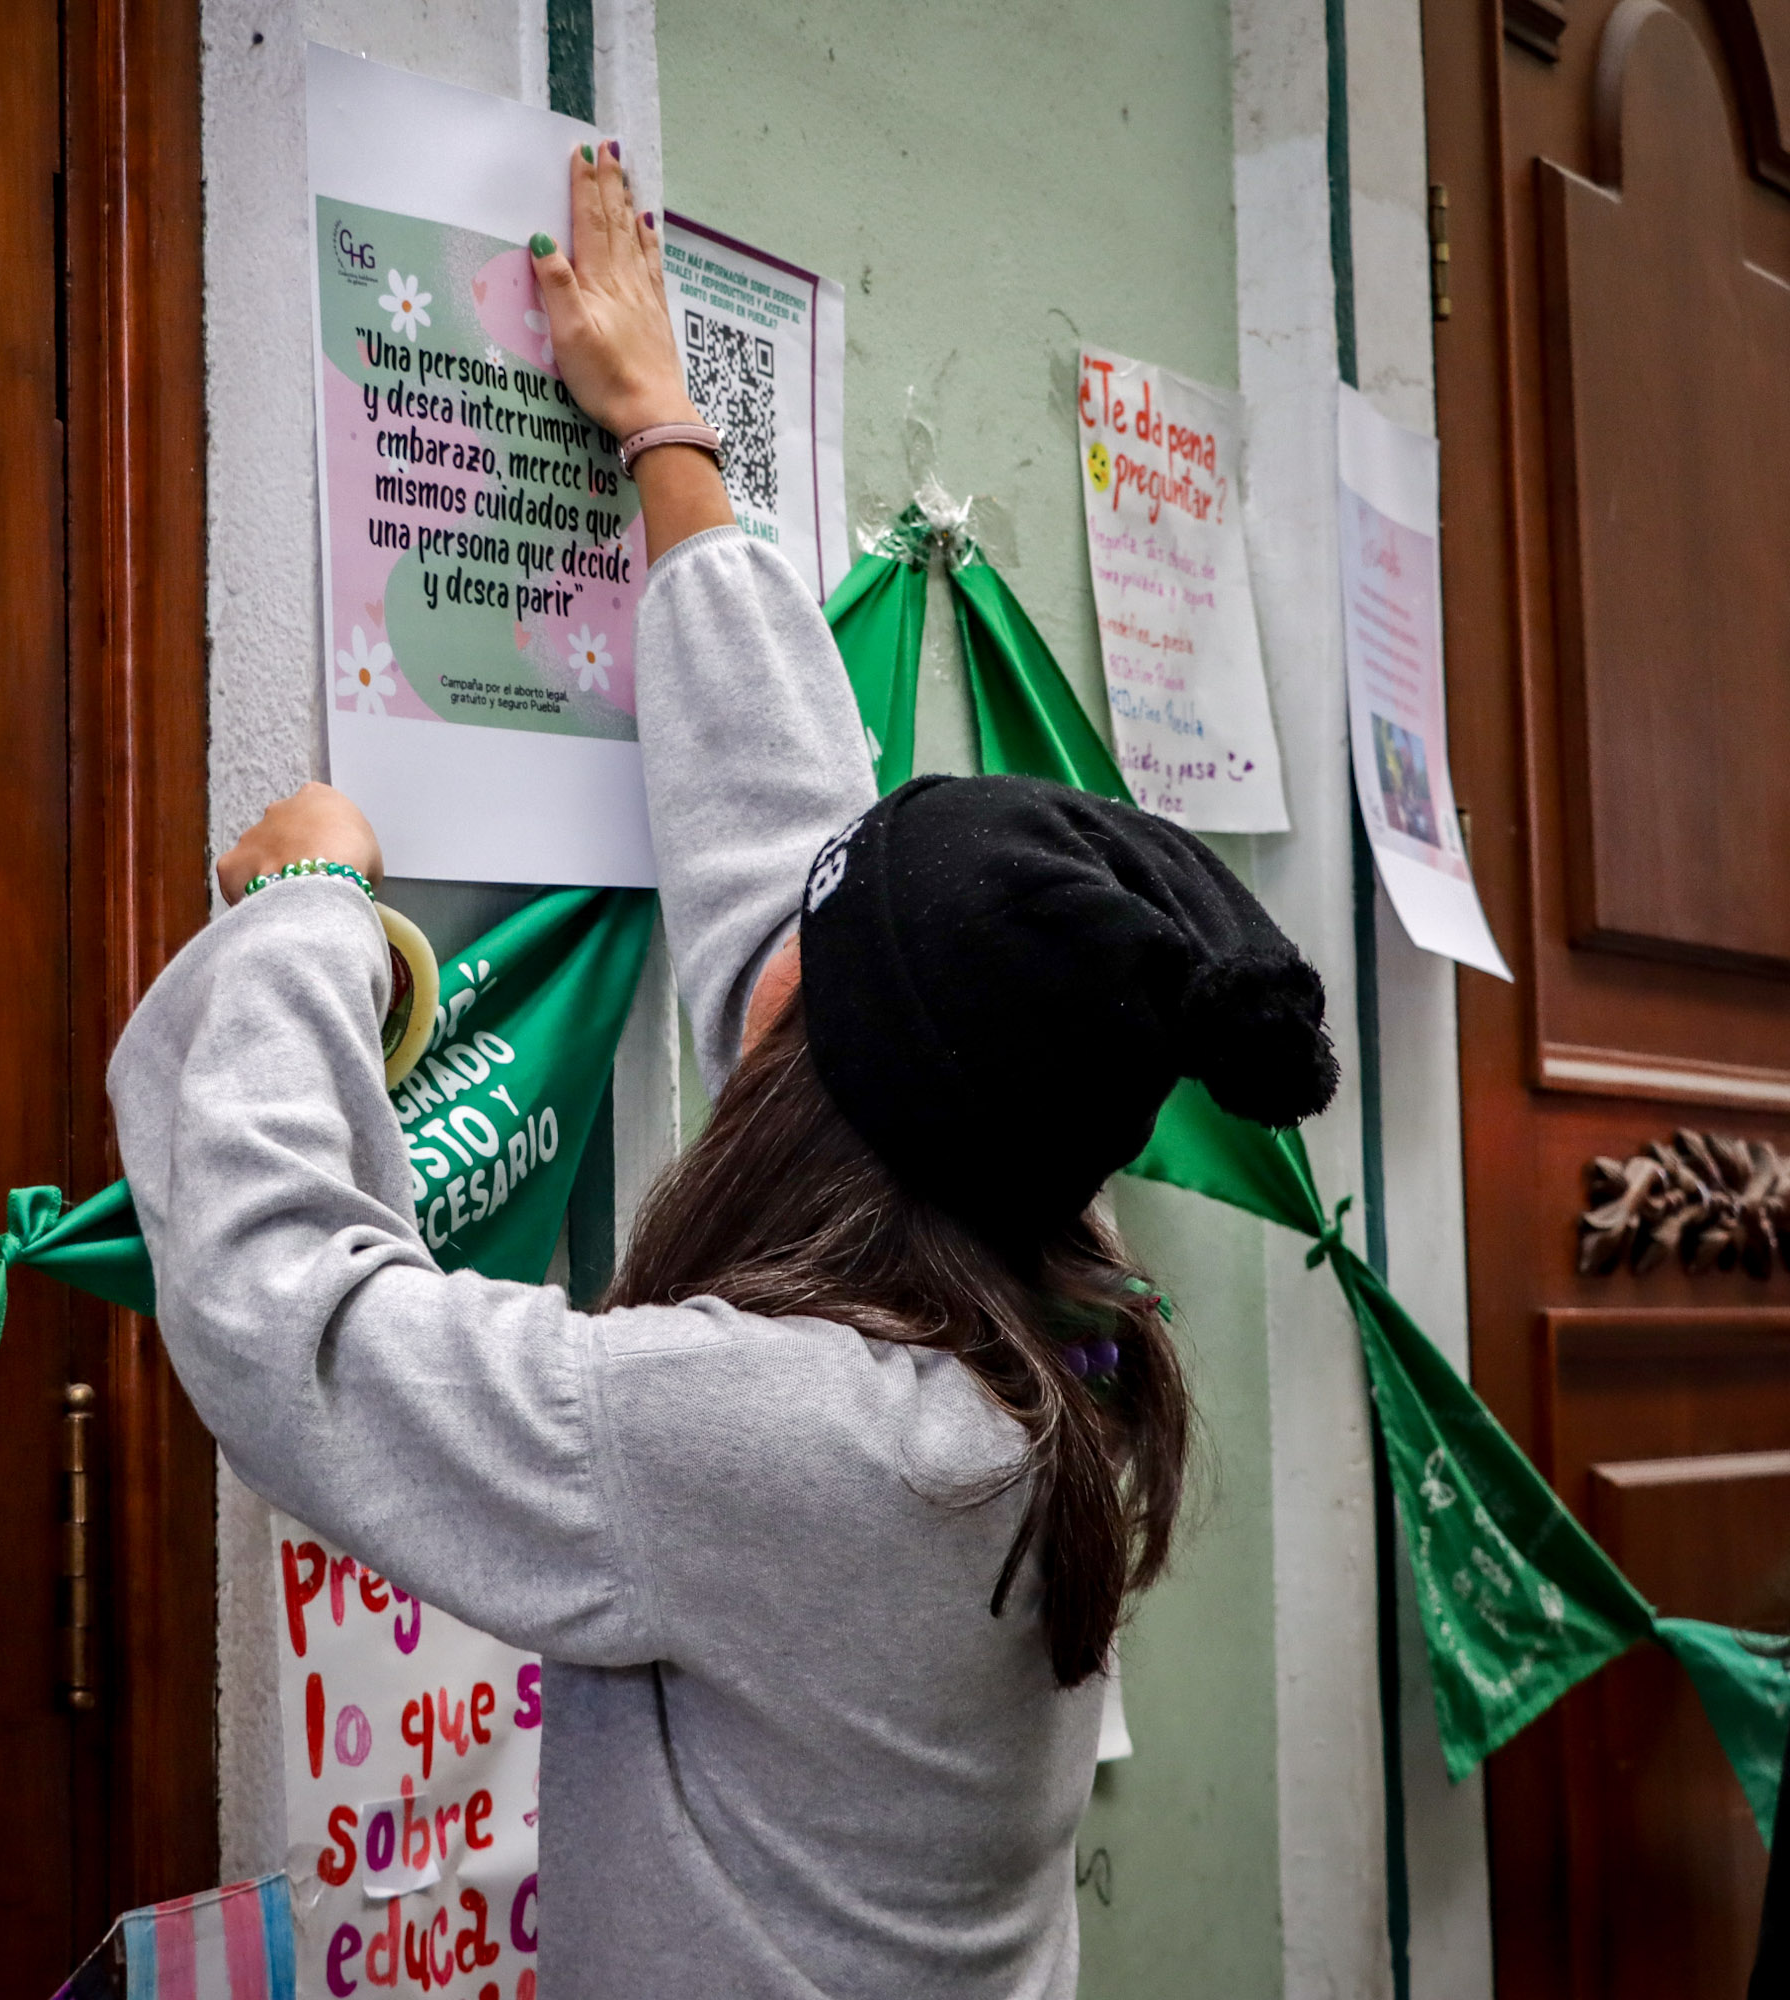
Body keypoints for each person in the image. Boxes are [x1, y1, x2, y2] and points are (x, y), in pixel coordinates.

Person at [106, 141, 1337, 1998]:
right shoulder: (1035, 1275)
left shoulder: (778, 1434)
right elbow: (794, 857)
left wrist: (302, 918)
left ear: (814, 1068)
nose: (764, 978)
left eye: (804, 987)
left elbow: (302, 1326)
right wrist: (666, 432)